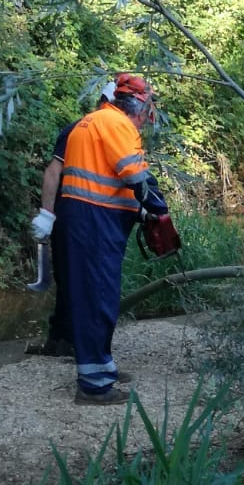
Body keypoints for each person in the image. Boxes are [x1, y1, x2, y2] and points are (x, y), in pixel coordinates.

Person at [55, 73, 160, 406]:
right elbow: (135, 176)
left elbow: (108, 181)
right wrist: (159, 209)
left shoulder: (91, 122)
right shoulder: (115, 124)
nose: (147, 120)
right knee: (97, 297)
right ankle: (94, 385)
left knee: (96, 295)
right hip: (95, 220)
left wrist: (140, 213)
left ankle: (101, 367)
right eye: (148, 111)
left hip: (90, 217)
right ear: (139, 107)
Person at [28, 81, 117, 357]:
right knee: (73, 278)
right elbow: (53, 172)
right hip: (72, 215)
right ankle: (67, 341)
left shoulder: (113, 132)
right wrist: (47, 214)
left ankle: (64, 339)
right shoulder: (79, 130)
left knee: (76, 278)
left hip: (90, 217)